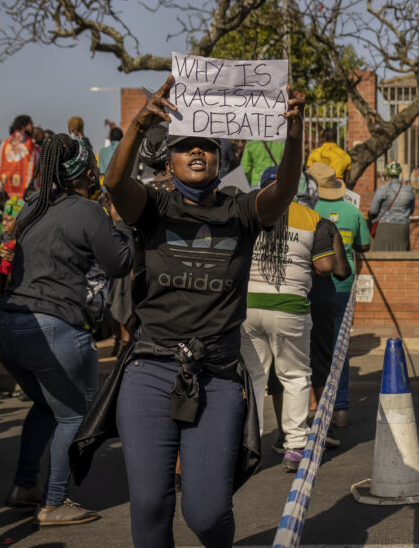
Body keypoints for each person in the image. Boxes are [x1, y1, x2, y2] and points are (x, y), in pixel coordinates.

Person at [102, 75, 305, 547]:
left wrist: (293, 137)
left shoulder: (242, 211)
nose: (197, 153)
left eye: (207, 146)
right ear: (169, 159)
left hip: (216, 374)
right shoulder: (152, 206)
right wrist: (137, 125)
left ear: (221, 156)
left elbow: (285, 190)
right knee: (151, 505)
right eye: (185, 146)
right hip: (149, 370)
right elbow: (114, 182)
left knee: (207, 513)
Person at [0, 134, 134, 526]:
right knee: (74, 415)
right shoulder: (89, 211)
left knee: (46, 406)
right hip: (54, 325)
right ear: (89, 171)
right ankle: (54, 502)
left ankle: (25, 486)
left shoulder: (33, 206)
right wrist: (121, 223)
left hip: (7, 325)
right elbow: (120, 263)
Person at [241, 167, 336, 471]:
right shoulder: (311, 217)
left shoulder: (250, 211)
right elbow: (325, 266)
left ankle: (248, 445)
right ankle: (295, 446)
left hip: (248, 307)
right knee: (295, 376)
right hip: (290, 307)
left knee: (253, 376)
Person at [307, 161, 370, 428]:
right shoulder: (352, 211)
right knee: (340, 347)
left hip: (315, 285)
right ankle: (341, 408)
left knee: (312, 347)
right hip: (343, 287)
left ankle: (315, 405)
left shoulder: (309, 210)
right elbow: (364, 245)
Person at [368, 160, 415, 251]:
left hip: (385, 226)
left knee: (382, 256)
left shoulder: (383, 189)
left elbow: (373, 210)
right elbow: (411, 210)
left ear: (388, 174)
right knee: (402, 256)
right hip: (403, 228)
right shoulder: (408, 190)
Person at [0, 115, 38, 199]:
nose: (33, 128)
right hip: (25, 191)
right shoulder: (31, 144)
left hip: (6, 189)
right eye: (31, 125)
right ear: (24, 127)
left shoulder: (4, 144)